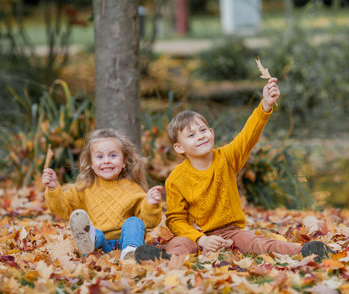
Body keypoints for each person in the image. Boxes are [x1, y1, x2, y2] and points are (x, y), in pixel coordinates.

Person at [162, 78, 329, 260]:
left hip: (231, 233)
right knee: (179, 244)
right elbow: (176, 220)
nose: (200, 137)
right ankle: (164, 259)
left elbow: (248, 135)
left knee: (257, 242)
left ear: (211, 133)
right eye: (191, 135)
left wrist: (265, 106)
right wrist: (201, 239)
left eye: (203, 130)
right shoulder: (176, 178)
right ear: (179, 148)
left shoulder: (227, 157)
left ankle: (304, 251)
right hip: (195, 235)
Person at [42, 128, 163, 260]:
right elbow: (62, 208)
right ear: (91, 164)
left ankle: (131, 252)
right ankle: (89, 244)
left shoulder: (133, 189)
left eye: (113, 155)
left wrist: (150, 204)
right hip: (99, 244)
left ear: (123, 162)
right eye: (100, 156)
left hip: (124, 242)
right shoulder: (84, 188)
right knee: (94, 232)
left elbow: (148, 223)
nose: (106, 161)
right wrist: (54, 188)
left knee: (134, 222)